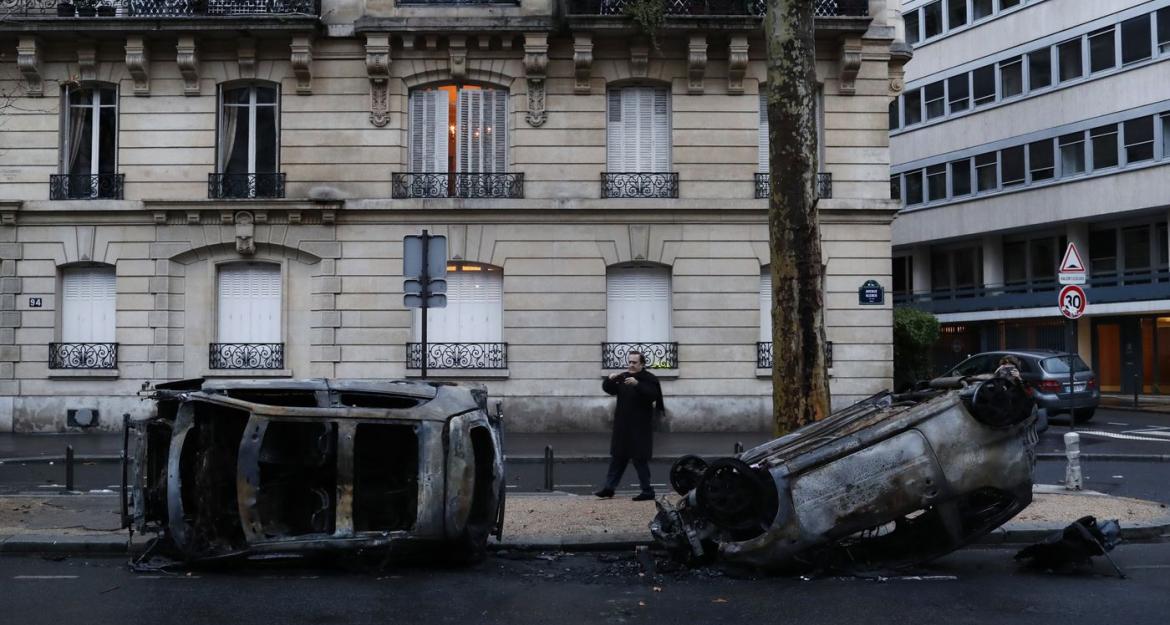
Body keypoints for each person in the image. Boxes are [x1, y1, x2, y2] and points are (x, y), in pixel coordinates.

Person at [595, 350, 665, 501]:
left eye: (634, 362)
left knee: (640, 460)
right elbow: (609, 389)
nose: (631, 365)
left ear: (642, 364)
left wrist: (637, 384)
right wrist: (609, 379)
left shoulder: (649, 379)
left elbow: (653, 395)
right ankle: (609, 488)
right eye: (630, 362)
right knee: (617, 458)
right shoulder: (624, 377)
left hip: (640, 428)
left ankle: (647, 491)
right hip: (623, 426)